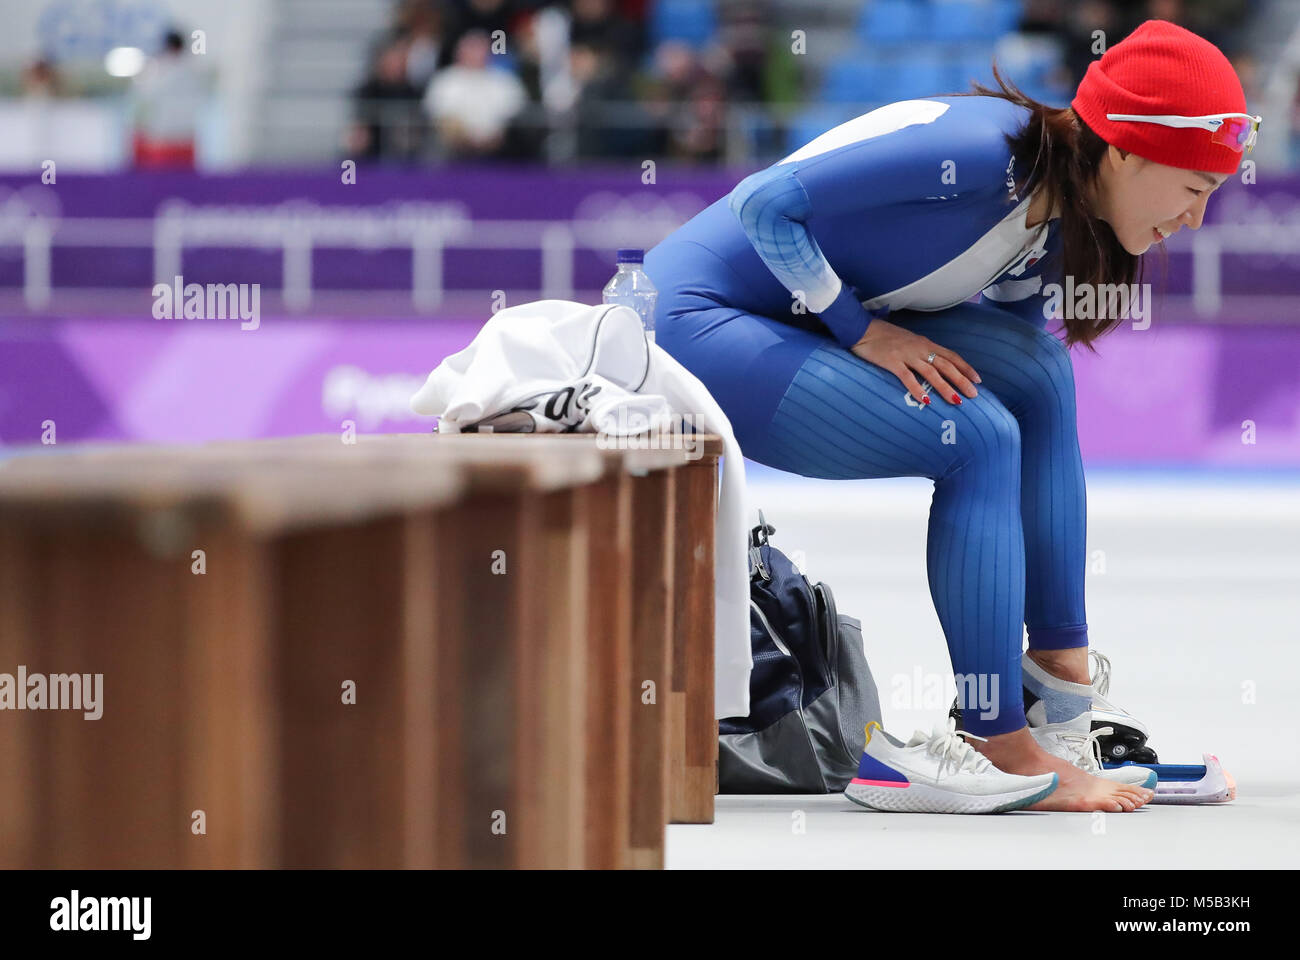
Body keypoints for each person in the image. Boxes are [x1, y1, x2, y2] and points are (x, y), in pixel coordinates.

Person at [643, 20, 1260, 812]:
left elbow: (1022, 367)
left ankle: (1056, 698)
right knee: (975, 438)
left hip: (791, 316)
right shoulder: (979, 156)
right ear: (1128, 150)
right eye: (1196, 189)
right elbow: (764, 204)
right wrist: (860, 329)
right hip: (694, 323)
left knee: (1039, 378)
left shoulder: (1062, 219)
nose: (1197, 220)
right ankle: (992, 741)